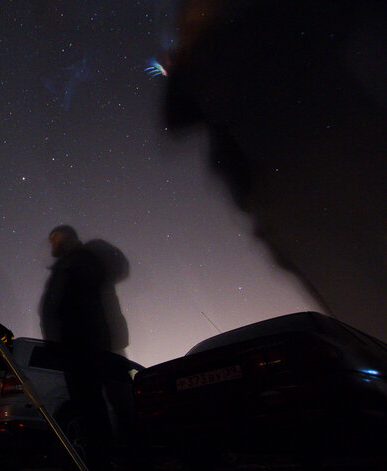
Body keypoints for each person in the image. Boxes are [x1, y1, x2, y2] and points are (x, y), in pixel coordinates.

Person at [163, 0, 386, 337]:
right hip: (296, 187)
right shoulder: (236, 41)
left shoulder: (245, 35)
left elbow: (177, 113)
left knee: (360, 292)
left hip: (316, 177)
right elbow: (177, 113)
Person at [40, 225, 132, 471]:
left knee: (119, 409)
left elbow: (118, 268)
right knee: (93, 413)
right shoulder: (63, 268)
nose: (52, 245)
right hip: (78, 350)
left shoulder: (88, 257)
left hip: (99, 346)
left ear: (67, 237)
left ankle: (128, 468)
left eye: (55, 239)